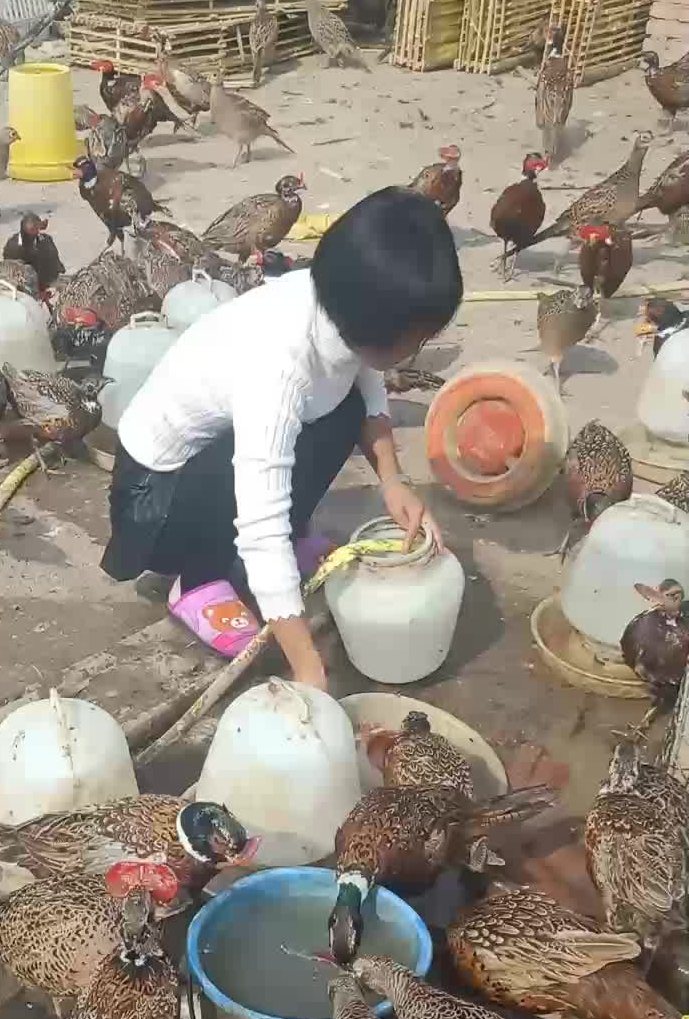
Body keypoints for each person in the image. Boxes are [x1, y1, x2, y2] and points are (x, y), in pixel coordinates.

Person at [102, 187, 463, 692]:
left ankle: (278, 548)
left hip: (212, 462)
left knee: (345, 409)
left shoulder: (330, 300)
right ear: (375, 324)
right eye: (417, 337)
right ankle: (197, 580)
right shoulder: (277, 366)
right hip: (154, 501)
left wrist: (393, 481)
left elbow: (364, 379)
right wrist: (308, 668)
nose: (420, 348)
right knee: (268, 470)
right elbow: (260, 524)